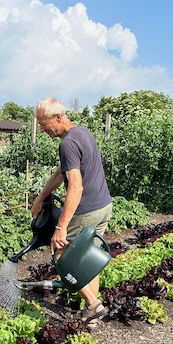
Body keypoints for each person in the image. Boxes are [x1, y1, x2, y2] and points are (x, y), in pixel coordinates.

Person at [31, 97, 113, 330]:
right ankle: (92, 316)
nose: (42, 128)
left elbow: (75, 186)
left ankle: (94, 304)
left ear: (57, 117)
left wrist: (61, 227)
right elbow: (61, 173)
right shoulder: (82, 134)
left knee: (61, 257)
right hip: (103, 206)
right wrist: (39, 198)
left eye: (44, 123)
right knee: (87, 260)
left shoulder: (66, 143)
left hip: (86, 211)